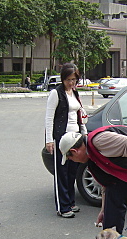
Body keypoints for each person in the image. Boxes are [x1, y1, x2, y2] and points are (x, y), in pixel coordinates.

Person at [45, 63, 88, 218]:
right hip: (62, 138)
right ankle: (62, 207)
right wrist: (49, 140)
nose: (71, 82)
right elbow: (49, 118)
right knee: (61, 172)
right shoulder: (56, 93)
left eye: (74, 79)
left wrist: (84, 133)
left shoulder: (74, 92)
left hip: (75, 137)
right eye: (69, 79)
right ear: (63, 78)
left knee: (72, 172)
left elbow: (79, 115)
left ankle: (70, 202)